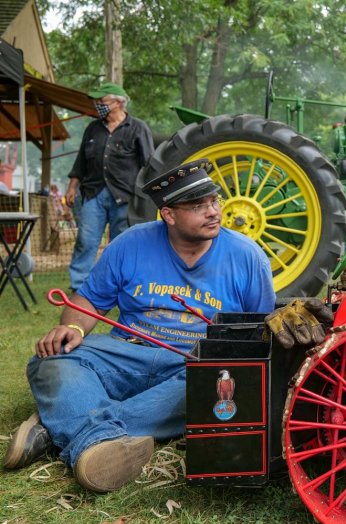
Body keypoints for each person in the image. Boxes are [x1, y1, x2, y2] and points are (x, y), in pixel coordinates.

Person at [2, 159, 277, 493]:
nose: (213, 211)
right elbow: (88, 300)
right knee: (53, 358)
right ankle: (97, 438)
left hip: (193, 364)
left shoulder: (248, 256)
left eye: (214, 201)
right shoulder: (130, 243)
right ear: (169, 214)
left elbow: (257, 332)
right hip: (126, 353)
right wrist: (72, 330)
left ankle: (58, 426)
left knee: (217, 388)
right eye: (198, 206)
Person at [66, 82, 154, 292]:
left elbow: (149, 164)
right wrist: (72, 187)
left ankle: (120, 285)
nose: (97, 105)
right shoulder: (92, 128)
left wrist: (147, 196)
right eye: (97, 101)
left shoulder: (138, 128)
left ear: (118, 103)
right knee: (85, 240)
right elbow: (80, 162)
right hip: (93, 193)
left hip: (124, 195)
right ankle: (79, 287)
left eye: (101, 101)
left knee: (120, 244)